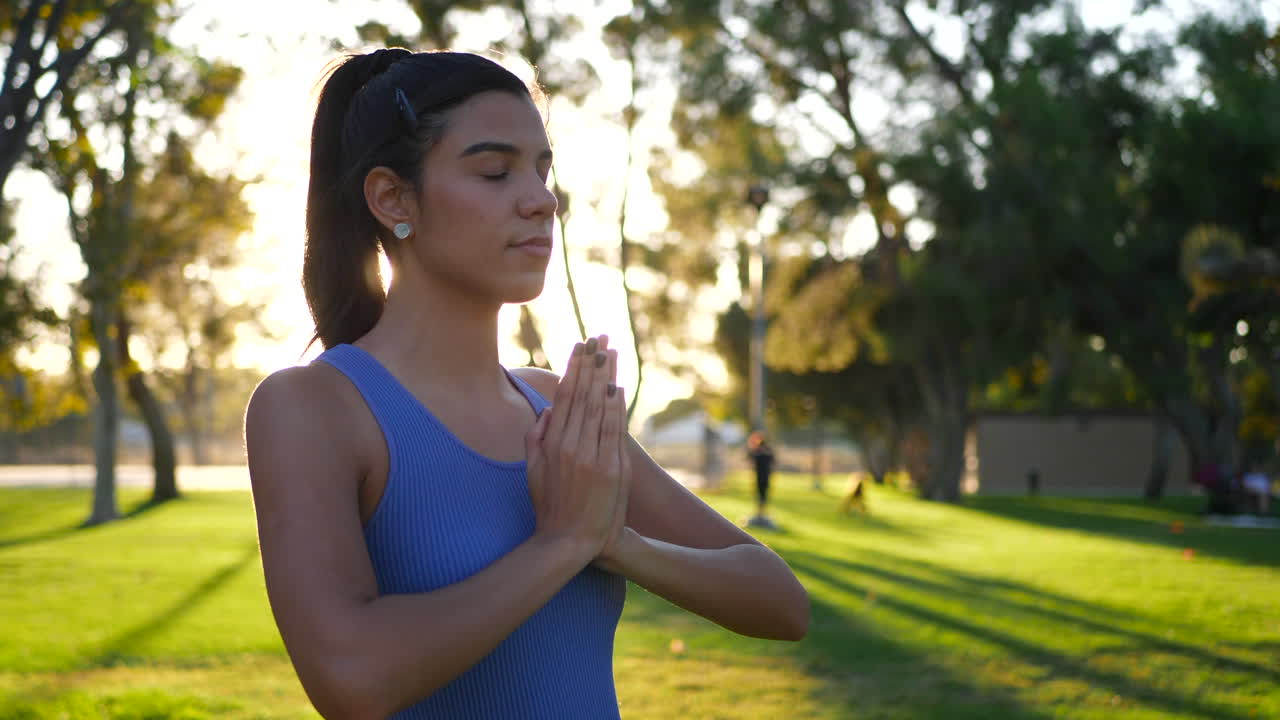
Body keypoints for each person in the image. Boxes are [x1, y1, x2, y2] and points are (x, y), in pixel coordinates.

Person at [243, 49, 809, 720]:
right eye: (494, 171)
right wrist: (561, 544)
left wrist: (616, 543)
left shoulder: (555, 409)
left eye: (542, 171)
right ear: (393, 198)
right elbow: (351, 678)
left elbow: (782, 603)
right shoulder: (314, 407)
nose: (541, 201)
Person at [746, 431, 776, 525]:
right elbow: (749, 457)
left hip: (765, 476)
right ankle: (759, 512)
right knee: (758, 494)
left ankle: (762, 512)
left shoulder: (766, 449)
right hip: (758, 476)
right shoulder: (756, 450)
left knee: (763, 494)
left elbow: (772, 460)